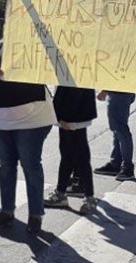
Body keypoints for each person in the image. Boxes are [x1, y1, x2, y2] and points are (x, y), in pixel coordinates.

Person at [0, 40, 56, 234]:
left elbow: (56, 66)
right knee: (6, 166)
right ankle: (7, 212)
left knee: (30, 165)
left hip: (32, 115)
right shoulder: (1, 43)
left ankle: (35, 216)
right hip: (0, 115)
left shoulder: (40, 42)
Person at [44, 86, 98, 215]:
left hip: (73, 113)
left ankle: (88, 197)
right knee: (69, 156)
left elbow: (74, 86)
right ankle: (62, 193)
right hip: (72, 112)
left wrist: (62, 116)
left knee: (79, 156)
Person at [93, 90, 136, 181]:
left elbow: (117, 75)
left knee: (120, 129)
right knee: (117, 129)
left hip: (119, 91)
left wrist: (105, 89)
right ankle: (116, 163)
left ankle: (127, 167)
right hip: (121, 91)